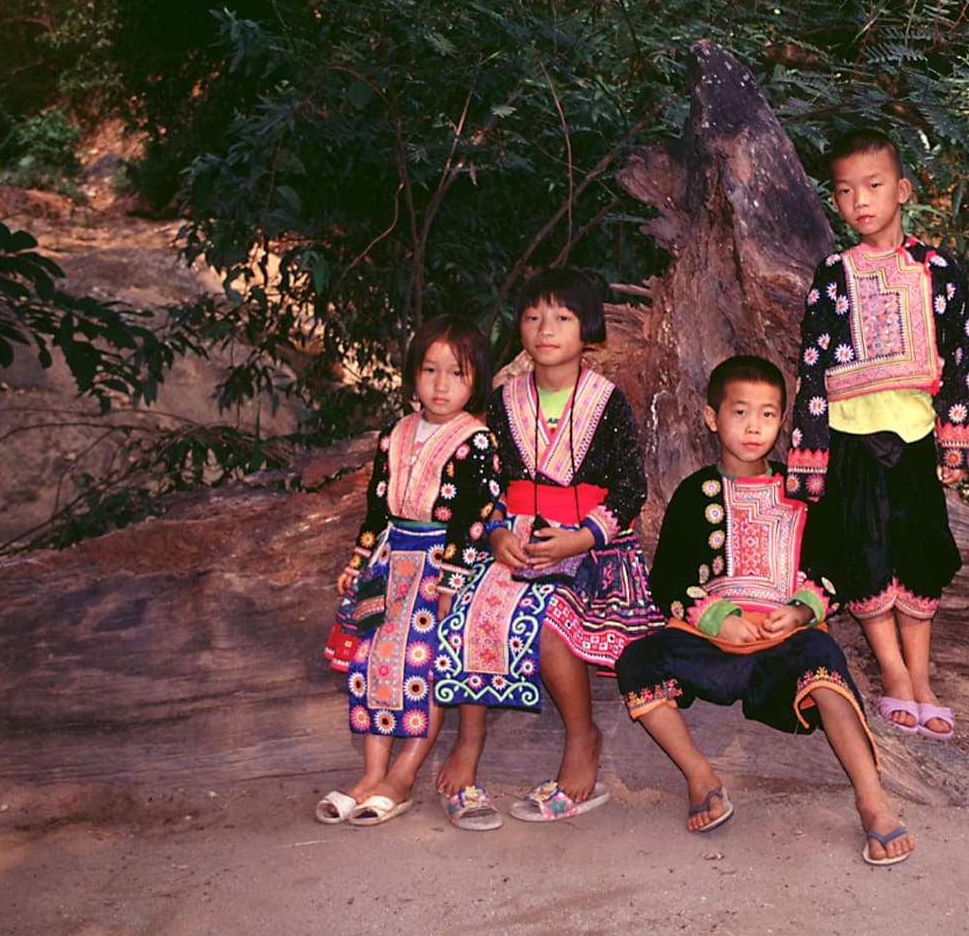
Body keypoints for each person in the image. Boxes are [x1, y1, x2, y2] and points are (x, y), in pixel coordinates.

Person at [616, 355, 915, 866]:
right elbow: (667, 579)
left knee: (825, 666)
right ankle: (700, 775)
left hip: (785, 641)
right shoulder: (695, 494)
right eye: (740, 412)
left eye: (769, 415)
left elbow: (834, 569)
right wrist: (717, 618)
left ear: (784, 420)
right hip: (712, 641)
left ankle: (871, 799)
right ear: (712, 417)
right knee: (636, 663)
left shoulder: (804, 492)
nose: (754, 427)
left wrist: (800, 612)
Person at [433, 267, 662, 828]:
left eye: (561, 318)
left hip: (588, 546)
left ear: (590, 331)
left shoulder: (607, 403)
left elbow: (632, 487)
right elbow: (485, 484)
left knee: (550, 620)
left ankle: (581, 738)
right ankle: (470, 737)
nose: (545, 329)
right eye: (533, 317)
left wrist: (579, 538)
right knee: (468, 608)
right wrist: (498, 532)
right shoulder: (505, 401)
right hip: (517, 538)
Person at [786, 127, 969, 740]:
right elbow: (811, 363)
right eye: (844, 191)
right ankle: (894, 677)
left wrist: (956, 434)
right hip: (850, 440)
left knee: (917, 552)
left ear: (902, 189)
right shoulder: (833, 274)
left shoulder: (940, 271)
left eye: (872, 186)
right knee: (865, 554)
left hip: (918, 439)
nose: (860, 202)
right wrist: (810, 448)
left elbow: (961, 357)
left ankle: (922, 681)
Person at [315, 314, 501, 826]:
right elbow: (377, 509)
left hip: (440, 567)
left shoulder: (475, 441)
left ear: (476, 381)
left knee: (424, 666)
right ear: (412, 374)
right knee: (373, 659)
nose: (442, 386)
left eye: (457, 374)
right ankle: (370, 774)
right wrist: (359, 561)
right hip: (390, 559)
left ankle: (404, 773)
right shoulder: (394, 435)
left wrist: (452, 579)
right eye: (431, 370)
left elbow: (474, 517)